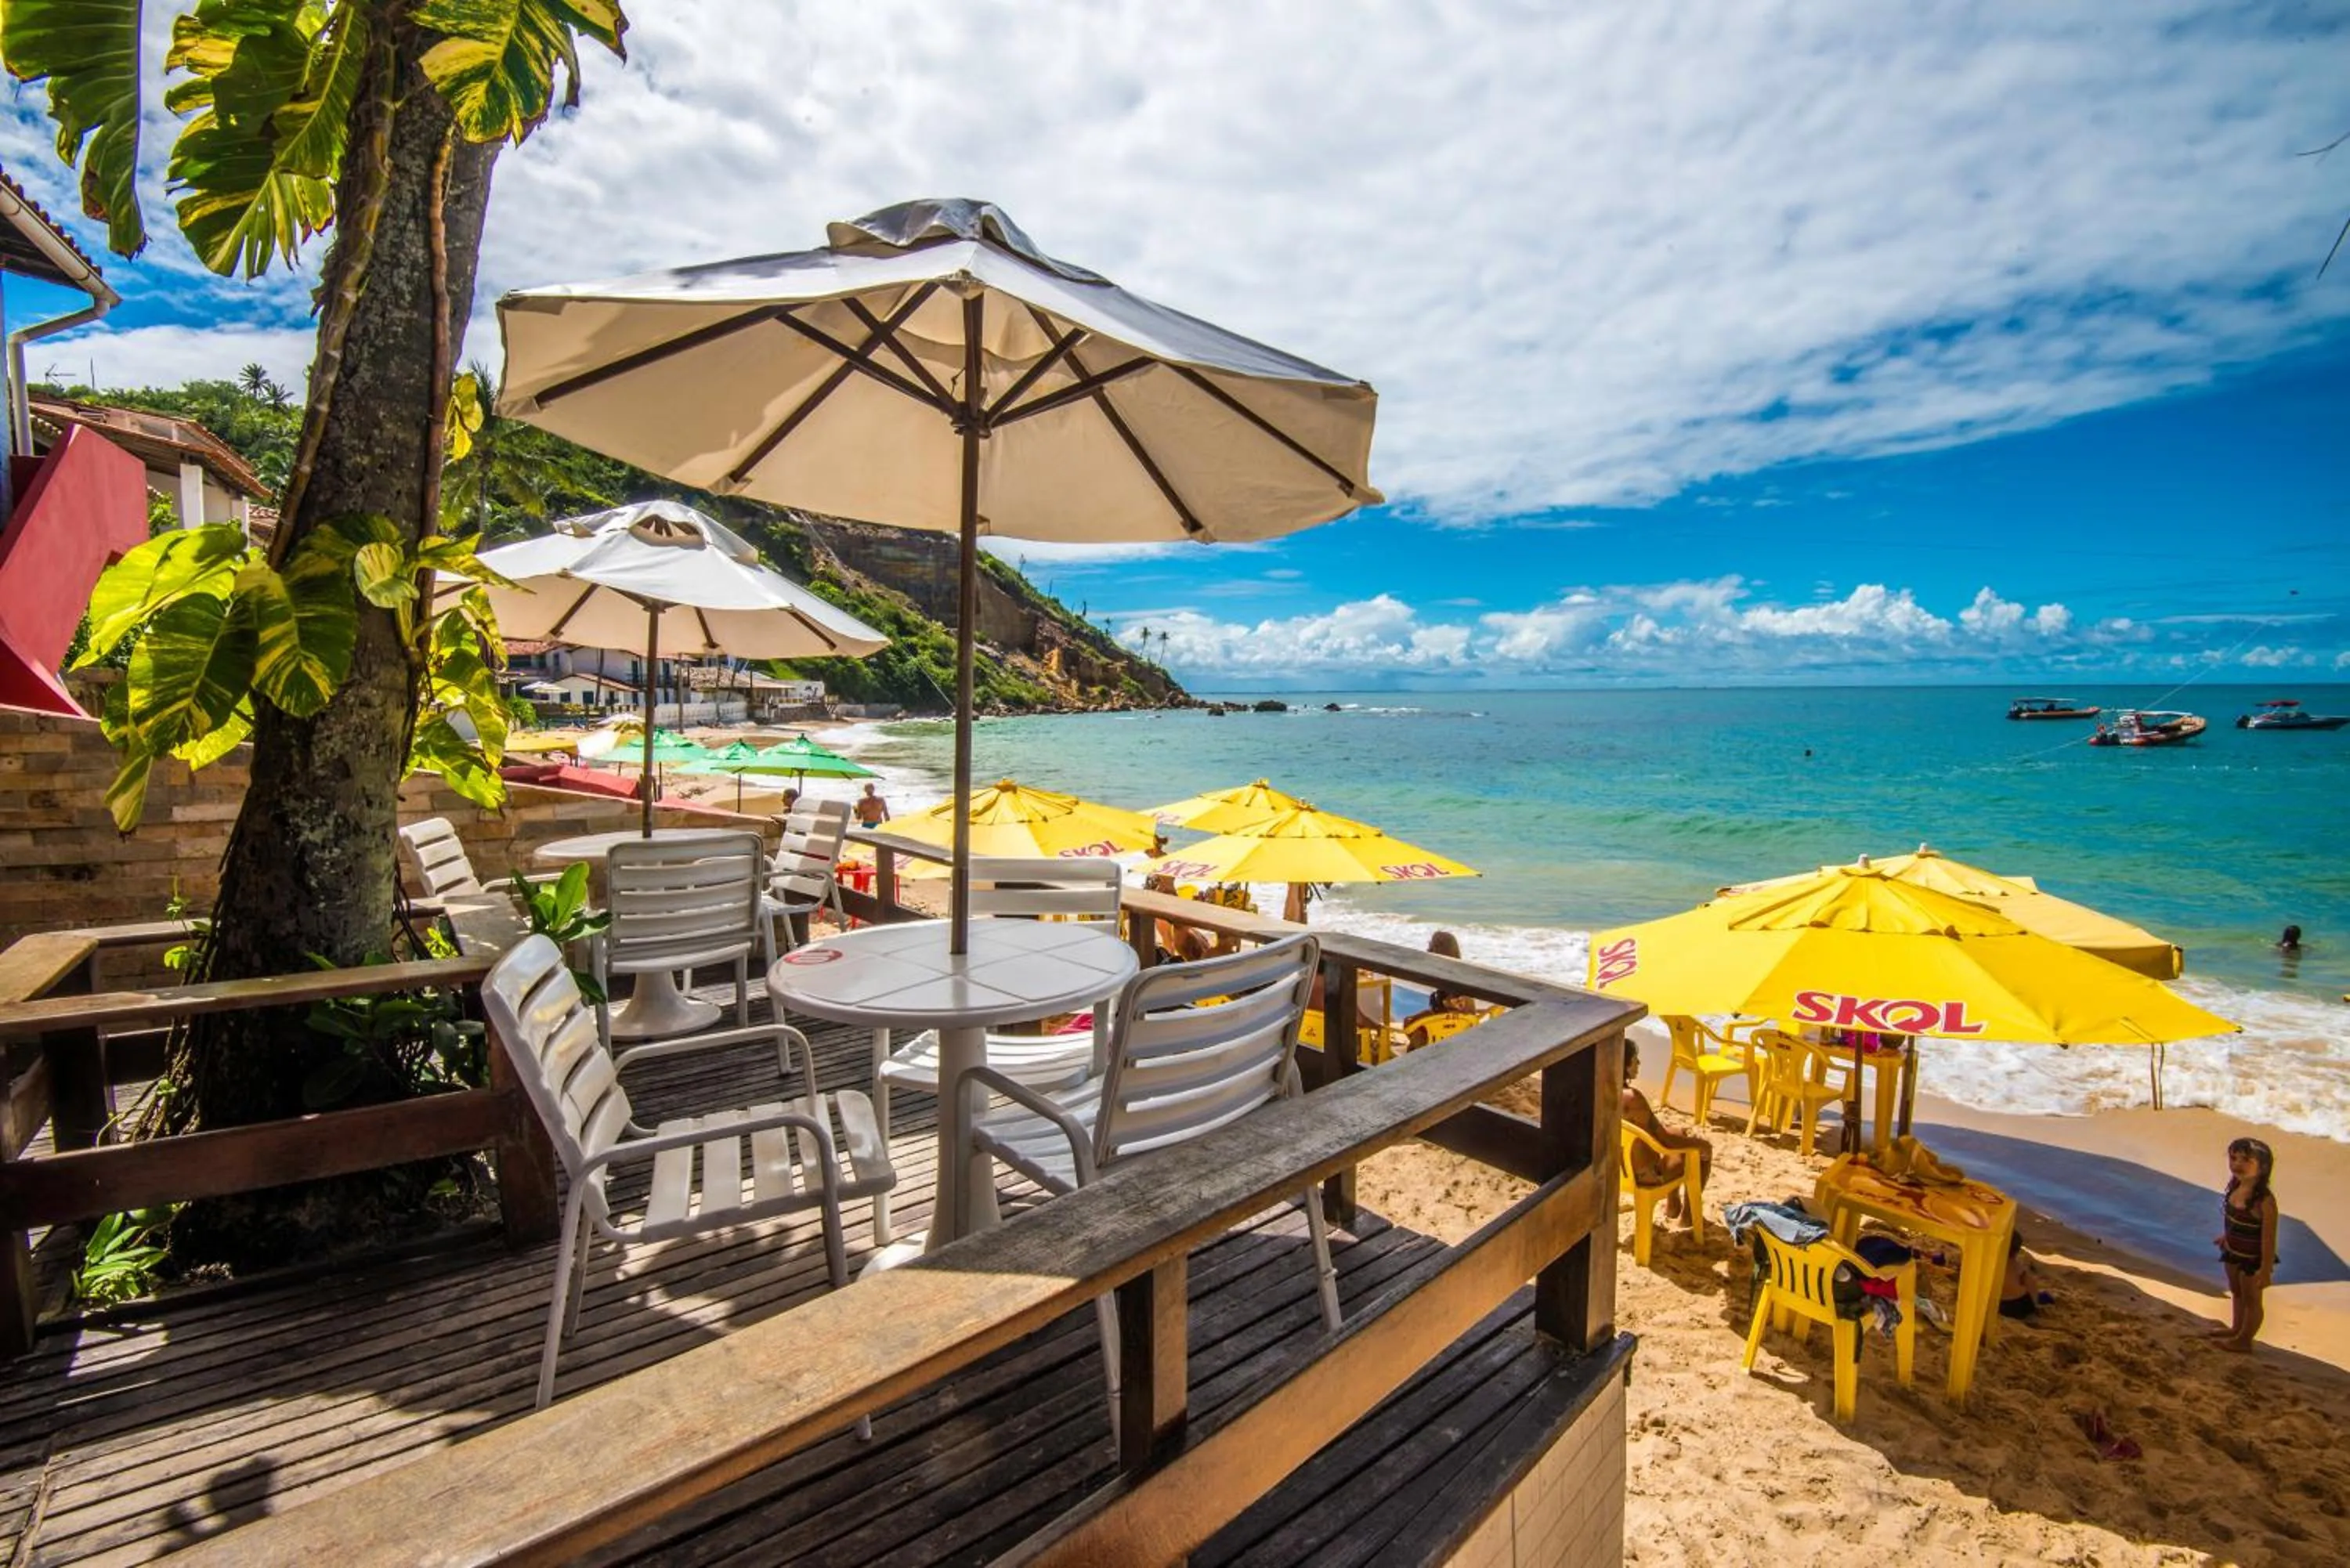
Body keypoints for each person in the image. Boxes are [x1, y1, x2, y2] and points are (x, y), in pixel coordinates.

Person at [1621, 1037, 1712, 1223]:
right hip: (1649, 1176)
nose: (1638, 1063)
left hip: (1619, 1172)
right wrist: (1702, 1144)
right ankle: (1688, 1215)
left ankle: (1673, 1206)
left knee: (1679, 1132)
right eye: (1634, 1058)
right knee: (1699, 1153)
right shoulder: (1632, 1099)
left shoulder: (1601, 1092)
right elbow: (1665, 1140)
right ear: (1625, 1064)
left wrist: (1680, 1133)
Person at [2208, 1136, 2278, 1352]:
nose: (2237, 1164)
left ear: (2263, 1167)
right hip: (2232, 1251)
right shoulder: (2234, 1187)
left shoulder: (2264, 1201)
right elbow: (2231, 1218)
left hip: (2252, 1260)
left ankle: (2245, 1340)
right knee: (2236, 1291)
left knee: (2252, 1299)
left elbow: (2268, 1239)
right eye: (2233, 1158)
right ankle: (2236, 1328)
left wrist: (2265, 1270)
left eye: (2245, 1160)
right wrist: (2226, 1237)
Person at [1998, 1230, 2045, 1321]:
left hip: (1998, 1304)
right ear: (2017, 1251)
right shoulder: (2020, 1269)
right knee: (2044, 1296)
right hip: (2018, 1306)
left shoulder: (1988, 1265)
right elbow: (2033, 1294)